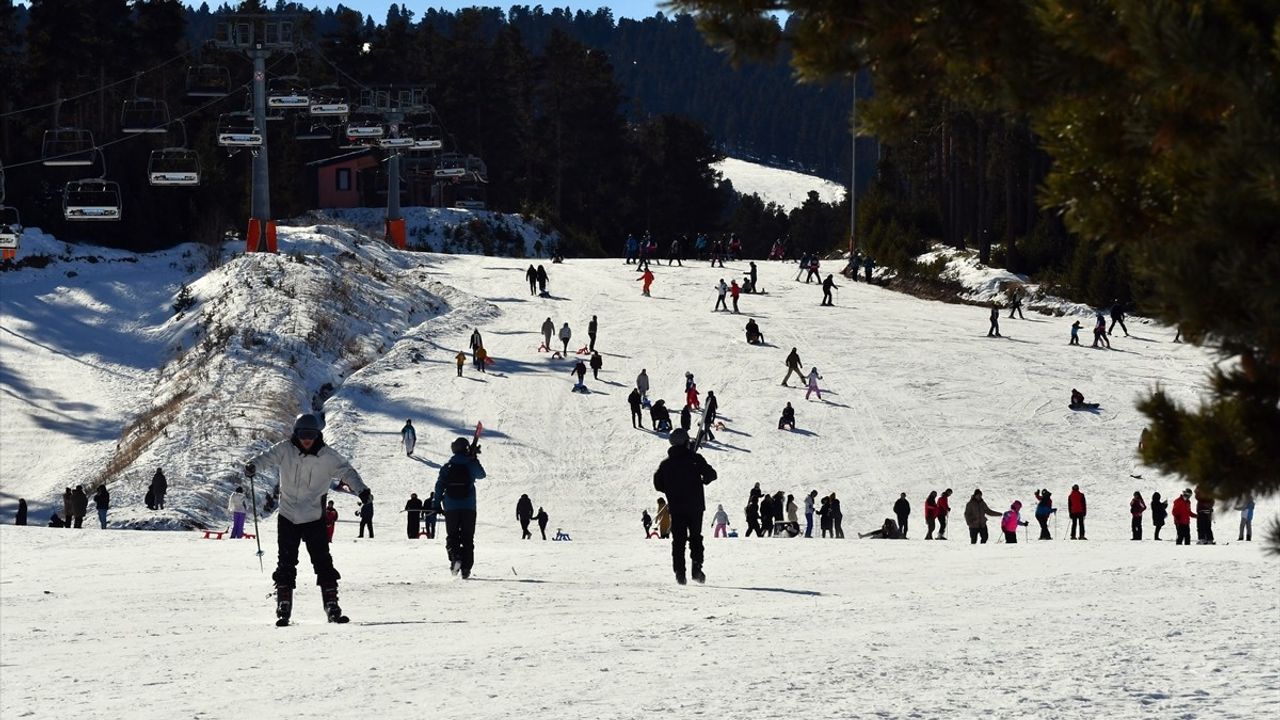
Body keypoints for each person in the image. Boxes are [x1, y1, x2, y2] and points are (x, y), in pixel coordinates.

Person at [246, 413, 369, 626]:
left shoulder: (328, 456)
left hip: (314, 517)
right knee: (285, 561)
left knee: (323, 561)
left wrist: (362, 490)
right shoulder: (285, 450)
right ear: (296, 433)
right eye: (303, 434)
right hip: (287, 515)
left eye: (311, 434)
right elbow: (267, 458)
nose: (307, 439)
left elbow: (347, 472)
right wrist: (253, 466)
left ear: (317, 434)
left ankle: (331, 604)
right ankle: (284, 603)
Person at [653, 428, 718, 585]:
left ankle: (680, 574)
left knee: (678, 541)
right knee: (695, 537)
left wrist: (671, 489)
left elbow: (658, 484)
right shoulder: (695, 459)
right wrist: (703, 480)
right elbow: (711, 474)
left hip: (676, 507)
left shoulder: (666, 464)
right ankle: (696, 569)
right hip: (695, 506)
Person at [434, 436, 487, 579]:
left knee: (452, 536)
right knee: (468, 538)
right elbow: (482, 475)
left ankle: (455, 558)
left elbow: (439, 486)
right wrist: (474, 459)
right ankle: (466, 569)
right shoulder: (470, 463)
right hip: (469, 507)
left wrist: (436, 504)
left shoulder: (447, 467)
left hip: (451, 507)